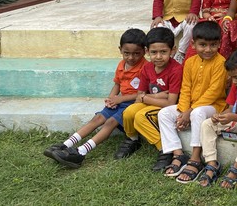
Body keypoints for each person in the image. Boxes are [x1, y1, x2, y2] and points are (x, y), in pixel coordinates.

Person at [44, 29, 148, 168]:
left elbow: (143, 94)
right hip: (119, 102)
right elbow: (117, 84)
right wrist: (111, 99)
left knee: (110, 122)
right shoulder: (121, 65)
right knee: (97, 118)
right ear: (120, 50)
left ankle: (81, 152)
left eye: (136, 53)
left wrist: (120, 99)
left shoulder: (146, 68)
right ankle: (65, 145)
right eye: (126, 53)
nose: (131, 57)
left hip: (133, 105)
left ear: (144, 51)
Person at [158, 21, 227, 183]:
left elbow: (214, 92)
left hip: (214, 107)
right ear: (193, 44)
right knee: (164, 113)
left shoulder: (221, 63)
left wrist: (189, 112)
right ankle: (178, 154)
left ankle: (195, 157)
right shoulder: (189, 62)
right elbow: (186, 88)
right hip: (190, 107)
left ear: (219, 44)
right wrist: (183, 111)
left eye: (213, 45)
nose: (208, 49)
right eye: (203, 45)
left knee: (198, 112)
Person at [116, 27, 183, 171]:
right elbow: (139, 96)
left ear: (173, 50)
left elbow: (170, 102)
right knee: (129, 112)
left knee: (141, 116)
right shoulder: (147, 68)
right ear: (147, 51)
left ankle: (165, 149)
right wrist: (156, 96)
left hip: (168, 108)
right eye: (154, 52)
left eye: (163, 52)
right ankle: (132, 139)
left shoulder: (176, 70)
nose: (158, 56)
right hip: (154, 102)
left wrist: (146, 98)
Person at [198, 46, 237, 188]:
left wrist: (232, 117)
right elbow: (231, 108)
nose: (234, 81)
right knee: (207, 124)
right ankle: (212, 163)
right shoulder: (236, 85)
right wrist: (220, 116)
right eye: (232, 77)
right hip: (235, 119)